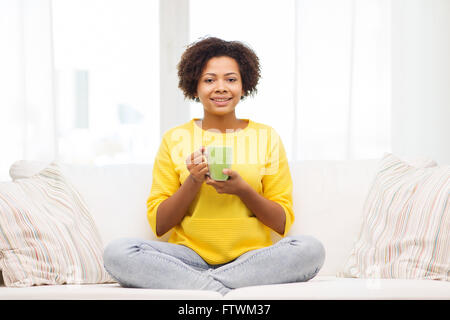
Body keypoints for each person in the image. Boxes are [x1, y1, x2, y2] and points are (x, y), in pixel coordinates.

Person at [103, 37, 325, 295]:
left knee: (310, 250)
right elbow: (160, 225)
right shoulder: (174, 138)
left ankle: (201, 288)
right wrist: (192, 181)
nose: (221, 88)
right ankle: (223, 287)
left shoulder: (267, 137)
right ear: (194, 86)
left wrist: (243, 190)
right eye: (209, 80)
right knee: (118, 252)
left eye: (231, 79)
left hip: (251, 259)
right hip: (188, 259)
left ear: (244, 86)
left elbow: (281, 222)